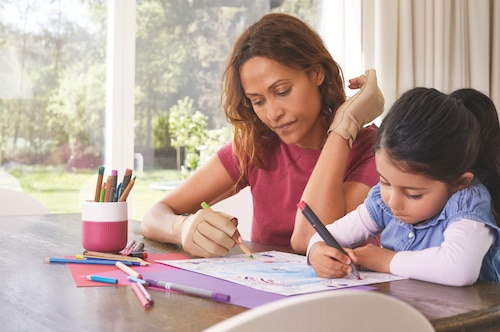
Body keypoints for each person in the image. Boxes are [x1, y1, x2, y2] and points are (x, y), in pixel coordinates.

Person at [141, 13, 384, 258]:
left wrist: (344, 128)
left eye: (282, 91)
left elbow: (310, 238)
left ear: (317, 74)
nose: (272, 114)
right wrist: (182, 228)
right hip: (266, 291)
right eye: (257, 101)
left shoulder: (372, 150)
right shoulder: (259, 145)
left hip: (350, 294)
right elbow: (154, 216)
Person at [307, 87, 500, 286]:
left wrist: (385, 260)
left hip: (469, 315)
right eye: (385, 182)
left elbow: (459, 269)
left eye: (413, 194)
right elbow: (327, 235)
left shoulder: (468, 201)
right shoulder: (384, 200)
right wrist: (318, 252)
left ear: (459, 183)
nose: (394, 202)